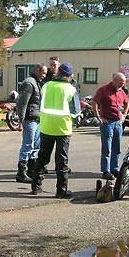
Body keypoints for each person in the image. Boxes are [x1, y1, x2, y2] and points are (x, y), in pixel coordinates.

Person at [31, 62, 81, 198]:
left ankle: (36, 187)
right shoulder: (71, 89)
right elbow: (76, 111)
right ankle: (61, 190)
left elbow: (41, 102)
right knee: (61, 161)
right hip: (63, 129)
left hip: (46, 126)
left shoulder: (46, 86)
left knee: (42, 158)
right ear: (69, 76)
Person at [90, 72, 129, 180]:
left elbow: (127, 103)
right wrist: (98, 117)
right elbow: (94, 103)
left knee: (117, 148)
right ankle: (106, 170)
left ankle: (114, 168)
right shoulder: (103, 90)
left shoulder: (121, 92)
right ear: (114, 80)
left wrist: (124, 116)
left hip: (118, 122)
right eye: (121, 83)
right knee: (107, 148)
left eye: (123, 84)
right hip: (107, 122)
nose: (122, 85)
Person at [15, 64, 47, 183]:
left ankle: (31, 170)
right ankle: (21, 173)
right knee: (28, 145)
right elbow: (22, 103)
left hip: (38, 119)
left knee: (36, 146)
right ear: (37, 70)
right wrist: (21, 121)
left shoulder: (37, 83)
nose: (44, 76)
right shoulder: (29, 83)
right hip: (29, 120)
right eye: (43, 73)